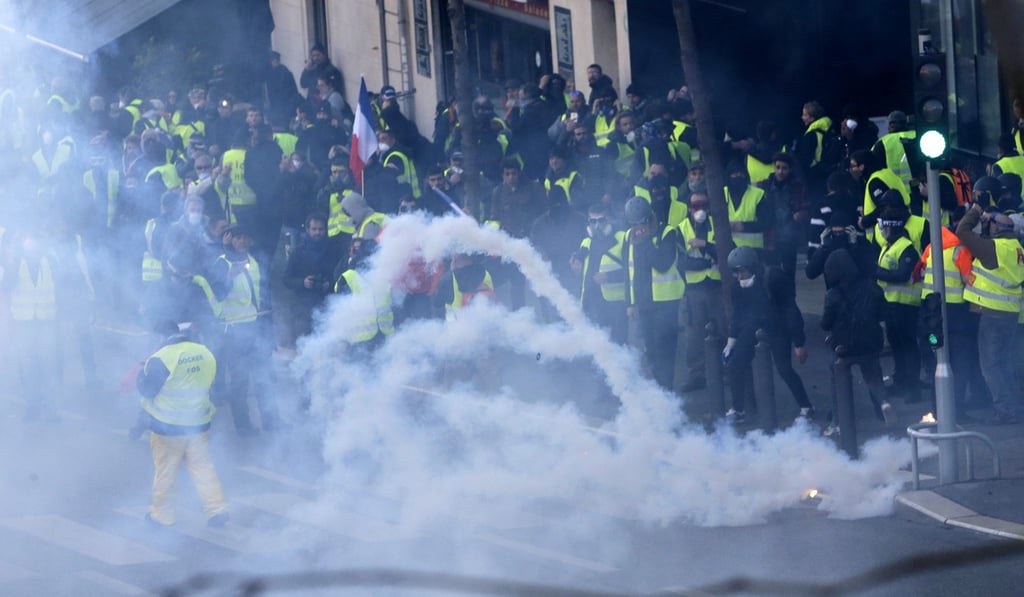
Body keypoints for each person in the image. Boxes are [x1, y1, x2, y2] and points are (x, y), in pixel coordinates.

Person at [136, 320, 228, 527]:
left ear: (160, 336)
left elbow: (148, 390)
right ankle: (217, 509)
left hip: (168, 426)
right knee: (202, 466)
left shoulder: (162, 358)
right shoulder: (204, 352)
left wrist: (141, 373)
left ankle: (162, 516)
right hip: (198, 422)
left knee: (166, 471)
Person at [956, 204, 1024, 424]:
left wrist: (975, 211)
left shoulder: (993, 248)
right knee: (1004, 363)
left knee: (991, 367)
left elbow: (962, 232)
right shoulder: (1016, 248)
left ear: (995, 228)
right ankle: (1014, 407)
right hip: (1010, 314)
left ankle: (1007, 411)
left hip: (992, 316)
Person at [820, 249, 891, 436]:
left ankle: (838, 422)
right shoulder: (872, 287)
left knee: (838, 380)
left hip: (843, 346)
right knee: (873, 376)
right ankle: (883, 404)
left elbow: (825, 323)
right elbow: (883, 313)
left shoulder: (833, 294)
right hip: (871, 342)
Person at [623, 196, 684, 391]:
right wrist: (630, 303)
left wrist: (646, 241)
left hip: (665, 304)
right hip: (643, 304)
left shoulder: (667, 233)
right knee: (650, 354)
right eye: (633, 224)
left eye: (641, 223)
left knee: (665, 353)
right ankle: (659, 394)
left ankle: (667, 395)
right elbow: (628, 271)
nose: (637, 228)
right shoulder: (628, 237)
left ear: (650, 218)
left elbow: (662, 264)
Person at [874, 205, 923, 404]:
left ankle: (913, 388)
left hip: (905, 306)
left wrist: (876, 272)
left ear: (891, 227)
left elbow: (903, 275)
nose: (882, 231)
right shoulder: (891, 245)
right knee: (897, 347)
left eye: (884, 227)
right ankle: (901, 382)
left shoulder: (905, 247)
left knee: (908, 348)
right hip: (892, 305)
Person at [677, 192, 721, 391]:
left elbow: (726, 251)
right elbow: (681, 262)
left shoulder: (718, 224)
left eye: (703, 205)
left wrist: (704, 245)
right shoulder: (682, 229)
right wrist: (707, 261)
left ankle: (724, 370)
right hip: (694, 289)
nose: (699, 210)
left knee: (723, 329)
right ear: (689, 208)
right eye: (695, 206)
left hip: (716, 287)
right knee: (693, 335)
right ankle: (697, 375)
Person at [571, 203, 627, 344]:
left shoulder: (623, 238)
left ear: (609, 219)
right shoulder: (587, 241)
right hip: (592, 302)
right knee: (598, 344)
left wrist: (609, 277)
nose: (597, 225)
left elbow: (633, 270)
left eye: (601, 220)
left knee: (618, 344)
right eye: (593, 221)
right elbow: (579, 256)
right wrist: (575, 262)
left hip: (616, 304)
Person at [333, 238, 394, 352]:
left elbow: (392, 305)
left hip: (385, 337)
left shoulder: (386, 276)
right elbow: (339, 311)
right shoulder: (348, 277)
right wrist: (341, 338)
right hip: (360, 341)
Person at [283, 213, 335, 343]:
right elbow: (286, 279)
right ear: (307, 230)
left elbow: (340, 276)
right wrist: (303, 282)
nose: (317, 233)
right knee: (304, 346)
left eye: (321, 229)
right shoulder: (298, 253)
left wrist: (329, 284)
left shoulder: (333, 251)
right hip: (303, 309)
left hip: (327, 306)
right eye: (314, 229)